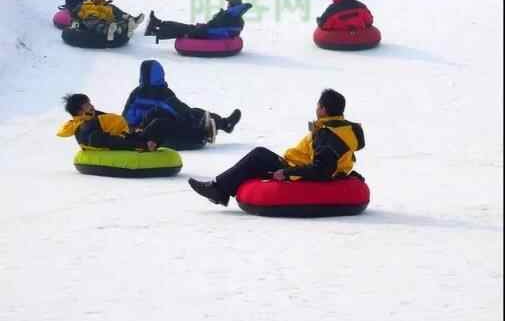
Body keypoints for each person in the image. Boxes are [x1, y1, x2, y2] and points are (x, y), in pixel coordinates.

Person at [188, 89, 365, 206]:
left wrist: (286, 173)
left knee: (258, 155)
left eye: (318, 106)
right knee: (260, 159)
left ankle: (218, 189)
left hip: (298, 172)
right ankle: (220, 190)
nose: (316, 109)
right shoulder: (342, 128)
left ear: (324, 110)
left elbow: (321, 170)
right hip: (296, 165)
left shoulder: (328, 133)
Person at [122, 60, 242, 147]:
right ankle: (222, 124)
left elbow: (126, 115)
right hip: (153, 131)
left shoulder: (137, 93)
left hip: (135, 128)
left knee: (165, 115)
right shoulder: (164, 93)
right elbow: (183, 112)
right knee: (194, 113)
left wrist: (134, 126)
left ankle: (220, 124)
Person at [57, 93, 161, 151]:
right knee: (121, 139)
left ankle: (149, 142)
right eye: (87, 105)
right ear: (79, 111)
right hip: (98, 143)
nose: (92, 106)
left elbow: (118, 131)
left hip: (109, 137)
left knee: (149, 128)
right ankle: (145, 144)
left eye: (90, 103)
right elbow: (110, 141)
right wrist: (142, 145)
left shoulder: (94, 116)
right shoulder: (83, 127)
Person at [144, 0, 252, 44]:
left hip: (208, 33)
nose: (227, 5)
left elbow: (216, 25)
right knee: (184, 26)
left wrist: (218, 16)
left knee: (182, 30)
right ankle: (157, 23)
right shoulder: (235, 18)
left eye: (229, 3)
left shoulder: (230, 17)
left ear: (232, 6)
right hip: (208, 30)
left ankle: (155, 31)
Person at [76, 0, 144, 42]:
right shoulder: (84, 5)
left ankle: (130, 21)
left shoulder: (108, 6)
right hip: (93, 21)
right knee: (92, 21)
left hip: (109, 22)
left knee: (117, 14)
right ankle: (111, 29)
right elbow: (75, 13)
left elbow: (119, 14)